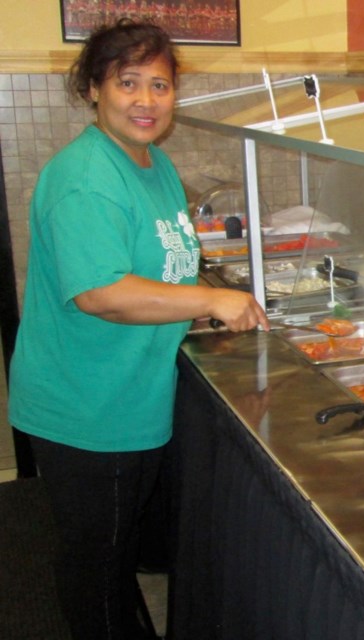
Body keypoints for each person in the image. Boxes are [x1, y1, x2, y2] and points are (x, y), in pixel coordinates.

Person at [7, 19, 270, 639]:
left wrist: (203, 301)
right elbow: (102, 292)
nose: (146, 101)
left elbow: (160, 262)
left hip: (128, 393)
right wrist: (208, 298)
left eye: (160, 85)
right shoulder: (85, 177)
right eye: (129, 83)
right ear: (94, 88)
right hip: (89, 405)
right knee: (99, 565)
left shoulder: (153, 164)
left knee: (118, 551)